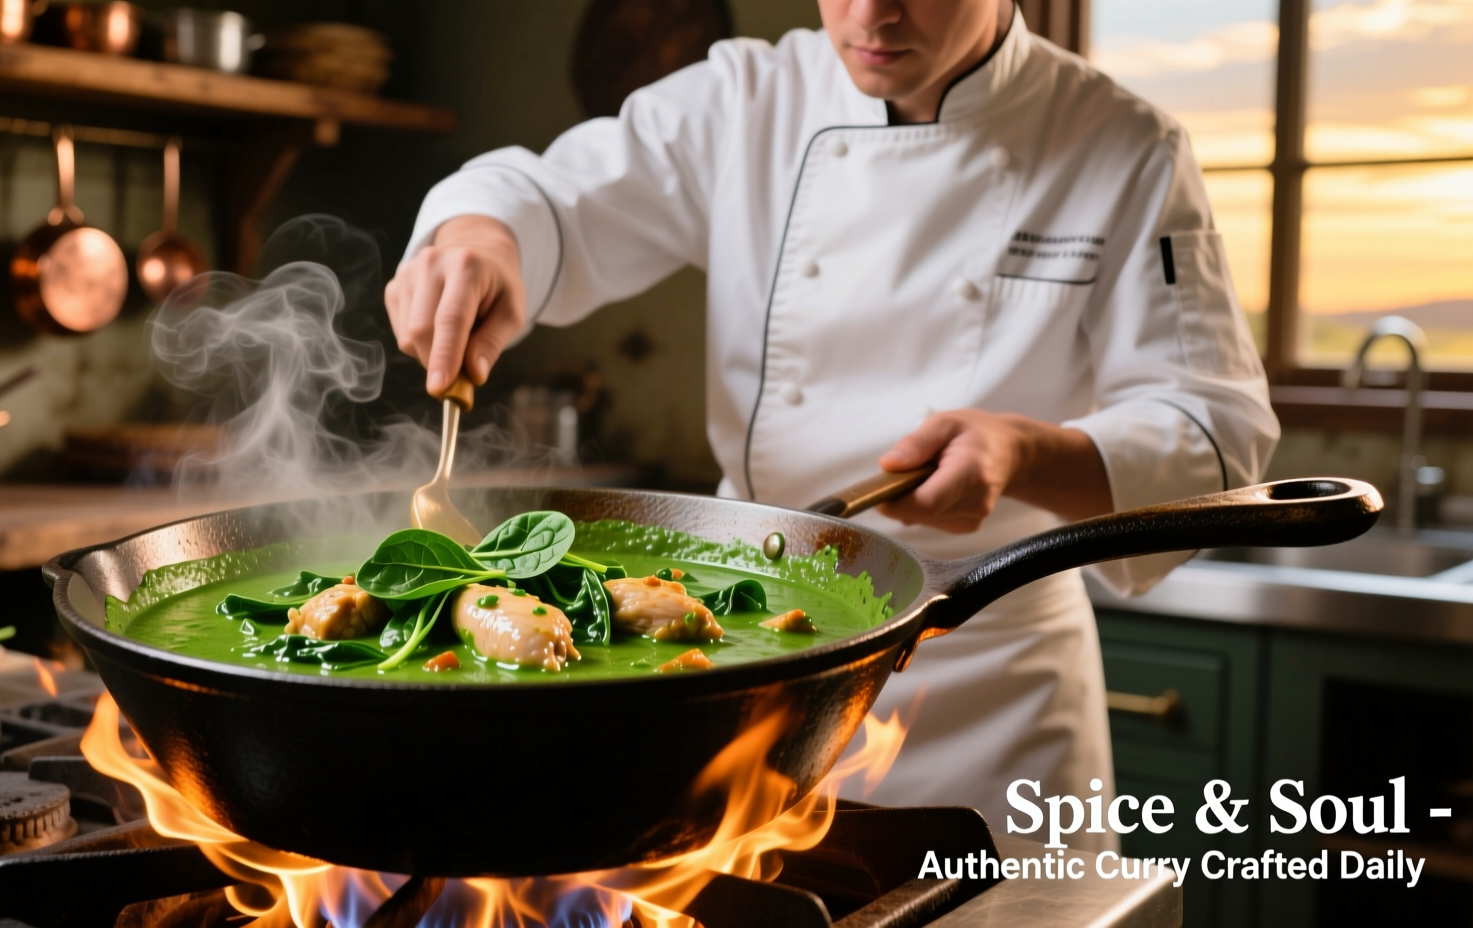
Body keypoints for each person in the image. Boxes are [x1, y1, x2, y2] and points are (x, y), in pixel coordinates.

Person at [384, 0, 1278, 849]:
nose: (870, 16)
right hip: (745, 662)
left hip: (990, 685)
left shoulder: (1125, 146)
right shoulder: (748, 99)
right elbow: (548, 195)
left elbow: (1216, 431)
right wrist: (484, 239)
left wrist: (1025, 454)